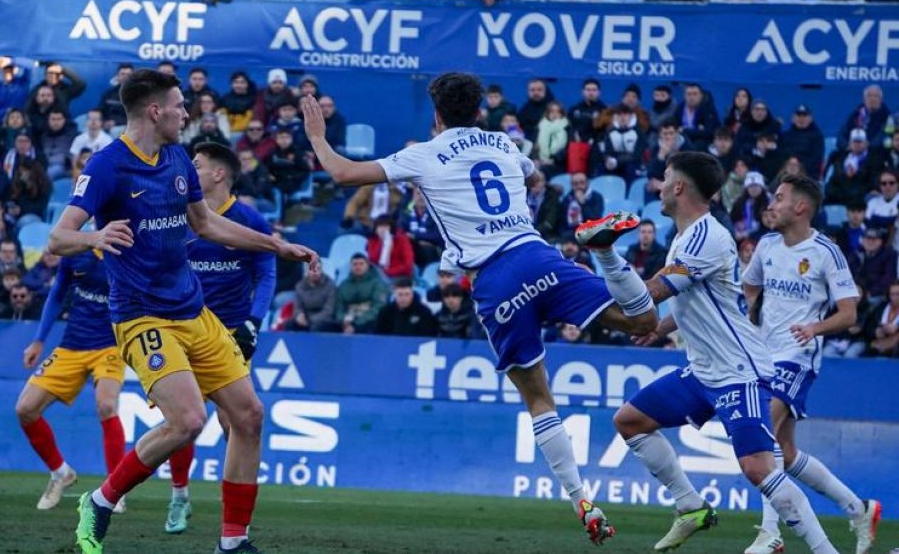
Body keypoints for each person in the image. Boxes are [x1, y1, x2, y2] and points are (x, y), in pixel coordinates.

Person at [302, 73, 658, 544]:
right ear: (479, 111)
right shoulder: (503, 142)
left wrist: (317, 138)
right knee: (643, 321)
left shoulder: (423, 155)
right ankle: (607, 253)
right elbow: (532, 175)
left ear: (436, 116)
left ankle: (581, 501)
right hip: (537, 255)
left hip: (494, 281)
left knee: (538, 399)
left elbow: (344, 173)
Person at [52, 69, 314, 554]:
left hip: (194, 312)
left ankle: (233, 542)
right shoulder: (108, 166)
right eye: (179, 105)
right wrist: (93, 237)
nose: (187, 112)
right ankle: (101, 501)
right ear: (156, 111)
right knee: (189, 420)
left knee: (250, 415)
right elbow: (57, 237)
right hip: (141, 317)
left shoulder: (176, 157)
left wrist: (276, 245)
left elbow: (206, 223)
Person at [582, 152, 837, 553]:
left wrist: (606, 255)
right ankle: (690, 505)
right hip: (703, 371)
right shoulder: (686, 236)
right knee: (630, 421)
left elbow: (651, 292)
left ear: (679, 187)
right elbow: (698, 300)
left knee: (758, 468)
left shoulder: (706, 236)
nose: (660, 187)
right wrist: (661, 327)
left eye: (665, 179)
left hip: (739, 371)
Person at [740, 174, 881, 554]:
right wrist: (750, 307)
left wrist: (814, 327)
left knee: (763, 427)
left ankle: (771, 534)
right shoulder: (767, 245)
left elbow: (849, 313)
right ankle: (859, 508)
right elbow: (749, 285)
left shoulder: (825, 253)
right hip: (764, 356)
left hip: (798, 358)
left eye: (780, 197)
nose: (772, 204)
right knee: (784, 454)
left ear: (801, 208)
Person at [164, 142, 276, 534]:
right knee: (183, 419)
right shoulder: (178, 218)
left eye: (196, 165)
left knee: (237, 424)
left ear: (218, 174)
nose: (189, 170)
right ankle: (179, 496)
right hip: (184, 328)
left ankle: (234, 516)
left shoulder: (248, 220)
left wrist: (254, 321)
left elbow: (267, 272)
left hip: (229, 335)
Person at [15, 248, 128, 512]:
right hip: (73, 344)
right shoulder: (76, 251)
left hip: (111, 345)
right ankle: (61, 473)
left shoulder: (132, 249)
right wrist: (39, 340)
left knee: (106, 406)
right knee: (25, 409)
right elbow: (56, 295)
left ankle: (116, 489)